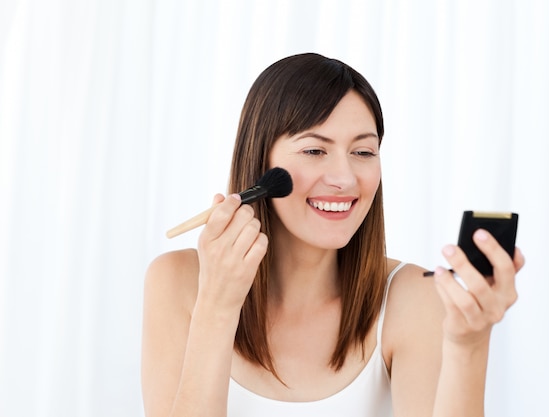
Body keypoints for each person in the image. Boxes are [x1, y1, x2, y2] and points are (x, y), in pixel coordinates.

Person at [141, 53, 525, 417]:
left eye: (363, 152)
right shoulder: (176, 282)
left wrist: (468, 344)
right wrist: (218, 306)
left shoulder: (412, 298)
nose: (344, 179)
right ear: (261, 163)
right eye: (314, 151)